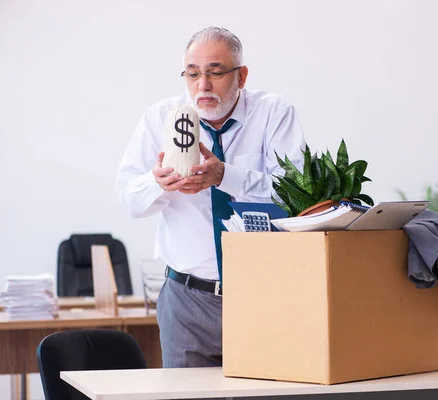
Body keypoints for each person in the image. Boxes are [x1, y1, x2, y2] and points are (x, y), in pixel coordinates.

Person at [115, 26, 305, 368]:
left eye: (215, 73)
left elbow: (299, 195)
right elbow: (130, 198)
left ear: (241, 76)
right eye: (192, 74)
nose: (202, 85)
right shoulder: (161, 118)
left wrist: (226, 176)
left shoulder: (273, 114)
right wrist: (159, 183)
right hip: (187, 300)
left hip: (265, 295)